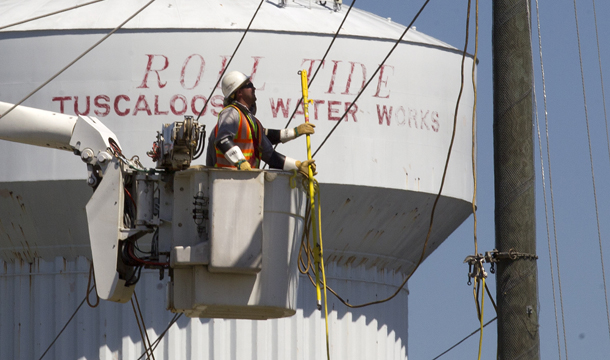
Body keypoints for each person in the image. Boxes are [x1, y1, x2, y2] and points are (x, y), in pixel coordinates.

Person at [206, 71, 316, 176]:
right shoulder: (231, 113)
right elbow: (222, 140)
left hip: (248, 183)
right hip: (226, 182)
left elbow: (270, 156)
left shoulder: (253, 122)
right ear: (239, 92)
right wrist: (239, 161)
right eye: (250, 85)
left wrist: (298, 166)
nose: (254, 88)